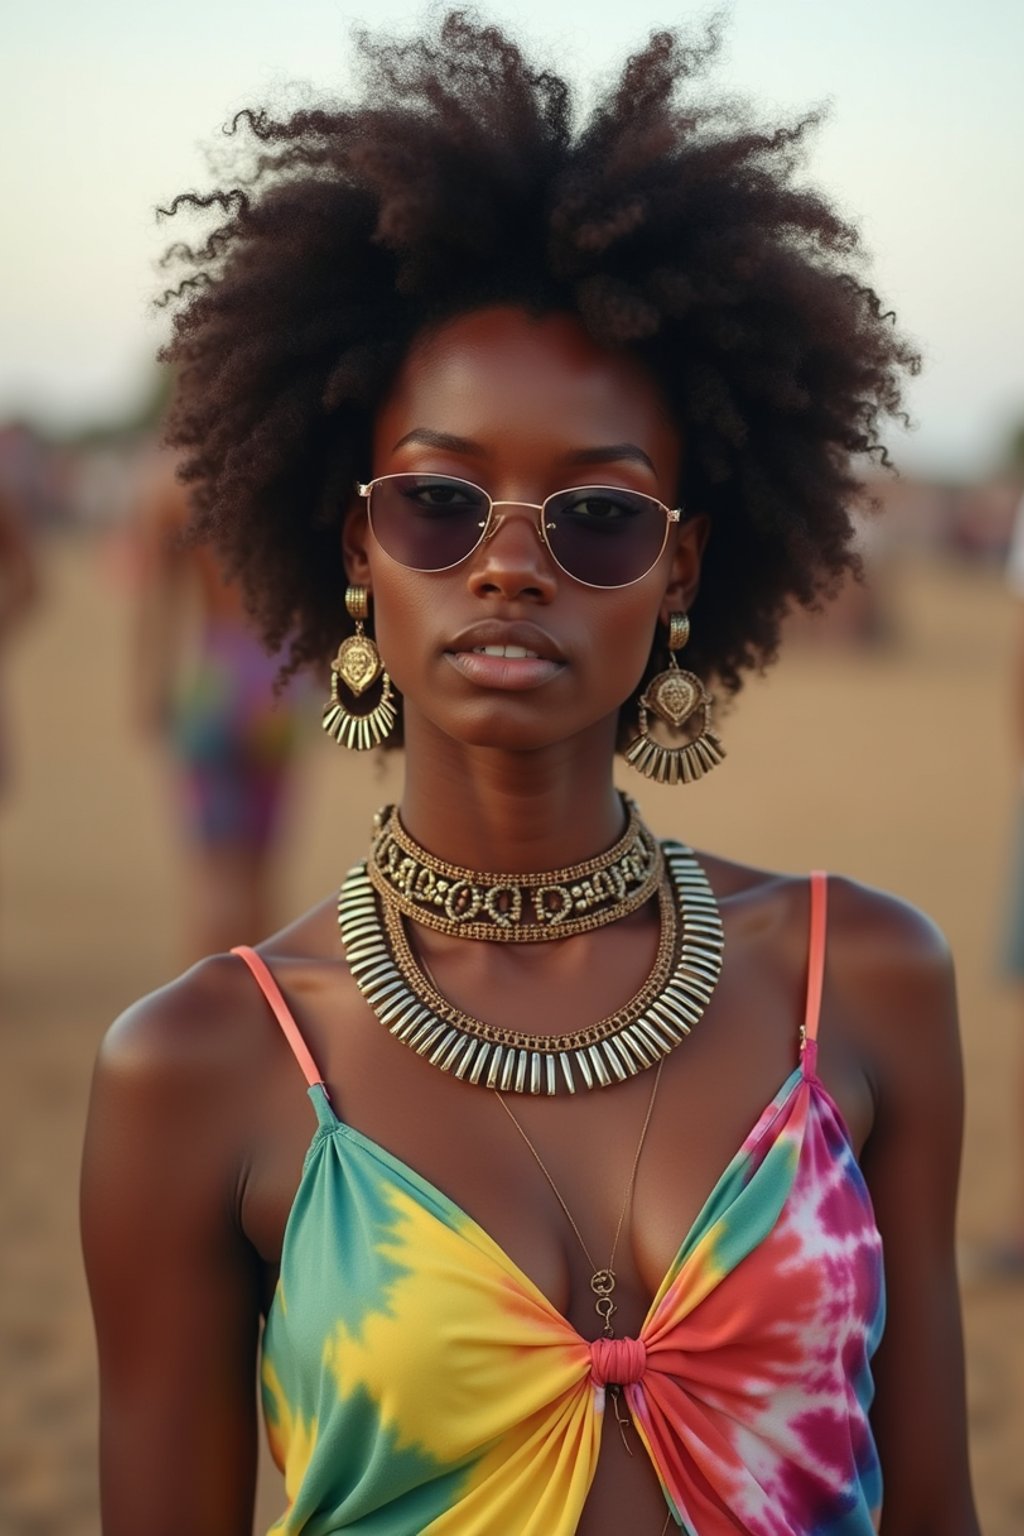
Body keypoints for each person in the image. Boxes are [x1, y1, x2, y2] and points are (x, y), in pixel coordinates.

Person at [80, 15, 980, 1535]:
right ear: (358, 550)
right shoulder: (196, 1068)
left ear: (682, 568)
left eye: (600, 518)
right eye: (438, 503)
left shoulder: (865, 979)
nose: (508, 567)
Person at [130, 441, 305, 959]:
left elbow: (157, 603)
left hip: (215, 675)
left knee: (215, 877)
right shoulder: (279, 470)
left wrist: (151, 688)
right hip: (280, 679)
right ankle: (257, 1019)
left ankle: (206, 1024)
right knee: (261, 872)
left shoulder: (170, 482)